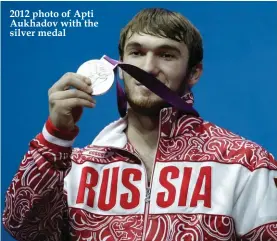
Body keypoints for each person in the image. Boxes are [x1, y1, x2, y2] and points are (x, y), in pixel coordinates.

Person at [3, 8, 277, 241]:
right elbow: (23, 227)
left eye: (166, 55)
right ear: (120, 67)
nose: (147, 68)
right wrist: (56, 137)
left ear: (194, 72)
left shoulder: (245, 163)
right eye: (136, 52)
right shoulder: (76, 167)